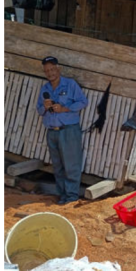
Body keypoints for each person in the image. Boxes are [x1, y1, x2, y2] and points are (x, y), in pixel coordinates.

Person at [36, 56, 88, 204]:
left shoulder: (70, 85)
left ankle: (71, 198)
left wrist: (64, 108)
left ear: (58, 69)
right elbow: (39, 110)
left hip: (68, 131)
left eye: (52, 69)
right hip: (52, 132)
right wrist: (44, 107)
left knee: (71, 165)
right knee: (57, 166)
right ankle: (62, 196)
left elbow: (83, 102)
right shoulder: (44, 89)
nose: (50, 73)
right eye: (47, 71)